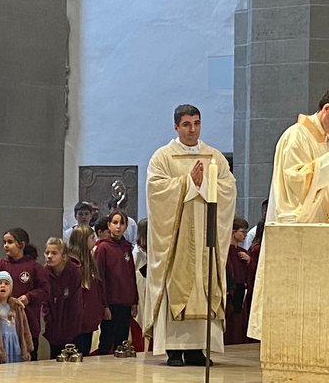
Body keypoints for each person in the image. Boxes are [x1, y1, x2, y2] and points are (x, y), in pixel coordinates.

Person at [146, 104, 237, 366]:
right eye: (186, 124)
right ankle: (174, 349)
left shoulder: (214, 157)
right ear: (176, 126)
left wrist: (205, 183)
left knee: (204, 281)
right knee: (178, 280)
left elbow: (228, 188)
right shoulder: (163, 157)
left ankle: (198, 348)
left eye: (196, 123)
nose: (192, 129)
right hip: (177, 239)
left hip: (208, 238)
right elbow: (156, 191)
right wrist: (188, 182)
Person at [265, 87, 329, 227]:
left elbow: (326, 185)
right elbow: (294, 180)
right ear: (327, 108)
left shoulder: (328, 141)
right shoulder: (296, 136)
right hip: (301, 224)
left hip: (323, 221)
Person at [41, 235, 102, 358]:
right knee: (55, 358)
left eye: (54, 253)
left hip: (73, 326)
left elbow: (75, 303)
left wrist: (72, 328)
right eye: (47, 253)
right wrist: (48, 319)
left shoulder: (75, 271)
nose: (49, 256)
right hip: (53, 325)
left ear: (64, 256)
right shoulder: (44, 272)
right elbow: (45, 300)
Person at [94, 210, 138, 357]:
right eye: (115, 223)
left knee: (122, 341)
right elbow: (100, 277)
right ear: (109, 225)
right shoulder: (103, 247)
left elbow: (131, 275)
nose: (118, 226)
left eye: (122, 223)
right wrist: (103, 304)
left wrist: (134, 300)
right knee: (107, 340)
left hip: (125, 301)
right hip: (111, 302)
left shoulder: (126, 247)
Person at [225, 219, 256, 346]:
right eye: (242, 232)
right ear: (233, 232)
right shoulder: (226, 251)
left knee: (239, 321)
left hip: (241, 290)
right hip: (230, 291)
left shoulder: (243, 252)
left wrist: (249, 260)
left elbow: (251, 272)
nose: (245, 235)